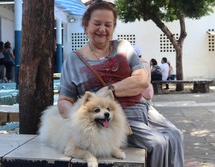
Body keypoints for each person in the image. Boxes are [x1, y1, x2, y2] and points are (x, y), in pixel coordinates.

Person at [57, 1, 184, 167]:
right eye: (97, 23)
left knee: (175, 135)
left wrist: (109, 89)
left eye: (108, 25)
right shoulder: (73, 60)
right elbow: (64, 100)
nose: (102, 29)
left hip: (144, 109)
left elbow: (142, 80)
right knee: (158, 143)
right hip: (115, 119)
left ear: (114, 27)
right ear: (86, 24)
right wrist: (77, 121)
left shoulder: (123, 47)